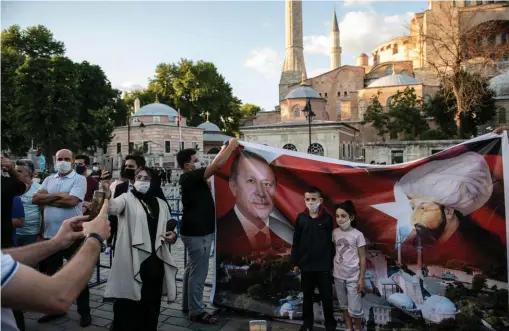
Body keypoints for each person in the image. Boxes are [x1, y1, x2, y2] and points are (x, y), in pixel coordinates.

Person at [1, 199, 111, 331]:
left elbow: (6, 257)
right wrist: (95, 237)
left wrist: (56, 242)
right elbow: (58, 297)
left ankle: (84, 313)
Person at [100, 167, 178, 331]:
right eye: (139, 177)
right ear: (134, 180)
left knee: (151, 304)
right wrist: (106, 192)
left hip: (155, 261)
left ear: (153, 181)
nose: (142, 180)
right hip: (131, 258)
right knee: (127, 305)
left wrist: (173, 235)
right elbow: (112, 207)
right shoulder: (126, 198)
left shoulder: (161, 203)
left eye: (146, 178)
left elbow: (170, 225)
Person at [398, 152, 503, 269]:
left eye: (424, 209)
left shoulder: (483, 249)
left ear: (448, 211)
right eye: (413, 208)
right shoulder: (410, 246)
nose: (414, 219)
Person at [176, 139, 239, 324]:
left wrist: (223, 149)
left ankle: (187, 305)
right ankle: (197, 311)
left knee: (192, 269)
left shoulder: (194, 179)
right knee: (199, 272)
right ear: (187, 165)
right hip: (198, 233)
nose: (200, 163)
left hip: (194, 231)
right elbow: (218, 165)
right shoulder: (190, 176)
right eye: (196, 161)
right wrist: (232, 146)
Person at [32, 149, 91, 326]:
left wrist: (47, 198)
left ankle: (84, 312)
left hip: (73, 235)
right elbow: (35, 199)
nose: (63, 161)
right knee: (53, 275)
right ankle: (55, 310)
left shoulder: (79, 179)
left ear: (72, 161)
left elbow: (72, 202)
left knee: (78, 275)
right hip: (51, 235)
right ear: (55, 160)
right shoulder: (50, 179)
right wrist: (60, 196)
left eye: (66, 159)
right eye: (60, 159)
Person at [216, 149, 294, 257]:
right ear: (234, 186)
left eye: (267, 184)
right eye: (251, 181)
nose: (261, 193)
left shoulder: (288, 232)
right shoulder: (219, 230)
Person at [291, 187, 336, 331]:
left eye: (314, 199)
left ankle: (330, 326)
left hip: (323, 266)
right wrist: (295, 262)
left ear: (320, 200)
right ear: (304, 201)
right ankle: (307, 325)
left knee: (327, 298)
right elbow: (296, 241)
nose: (311, 202)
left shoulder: (328, 219)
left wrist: (331, 262)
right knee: (307, 298)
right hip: (306, 266)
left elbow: (332, 242)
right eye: (308, 199)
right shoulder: (301, 218)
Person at [333, 200, 366, 331]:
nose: (340, 219)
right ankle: (348, 328)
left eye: (343, 216)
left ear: (351, 217)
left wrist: (361, 279)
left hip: (353, 278)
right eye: (337, 216)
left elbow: (363, 258)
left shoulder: (358, 235)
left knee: (356, 309)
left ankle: (357, 329)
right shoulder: (334, 233)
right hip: (338, 276)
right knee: (343, 306)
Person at [2, 156, 28, 249]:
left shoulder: (6, 183)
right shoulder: (6, 184)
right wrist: (11, 169)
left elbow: (26, 185)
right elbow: (27, 185)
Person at [14, 160, 42, 247]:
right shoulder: (11, 187)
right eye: (15, 170)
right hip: (14, 232)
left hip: (32, 234)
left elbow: (44, 212)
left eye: (19, 171)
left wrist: (41, 234)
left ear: (28, 173)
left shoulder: (39, 189)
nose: (15, 173)